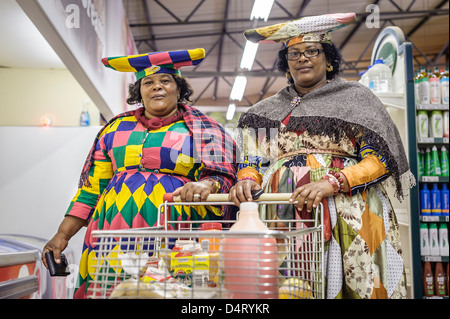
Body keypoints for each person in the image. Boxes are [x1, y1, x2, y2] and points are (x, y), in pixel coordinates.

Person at [229, 13, 415, 299]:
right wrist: (246, 179)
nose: (302, 58)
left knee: (361, 283)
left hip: (352, 210)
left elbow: (379, 159)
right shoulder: (264, 111)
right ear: (286, 64)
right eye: (294, 53)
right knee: (292, 288)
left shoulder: (356, 98)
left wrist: (334, 182)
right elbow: (251, 162)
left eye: (312, 51)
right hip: (283, 211)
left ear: (328, 60)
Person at [42, 48, 238, 299]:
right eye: (149, 82)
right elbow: (91, 190)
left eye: (165, 81)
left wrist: (208, 184)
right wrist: (62, 235)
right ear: (139, 91)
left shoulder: (204, 128)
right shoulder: (114, 128)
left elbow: (223, 177)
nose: (157, 87)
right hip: (110, 234)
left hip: (175, 231)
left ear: (179, 89)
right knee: (109, 291)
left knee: (171, 291)